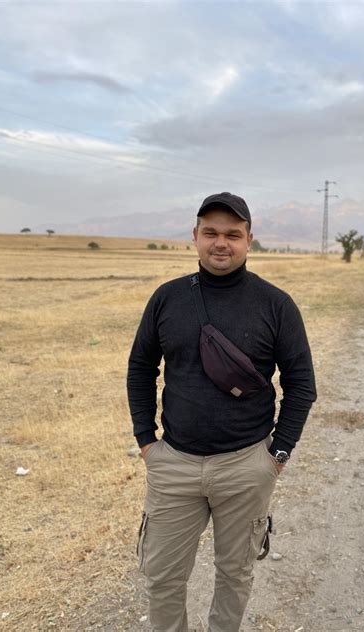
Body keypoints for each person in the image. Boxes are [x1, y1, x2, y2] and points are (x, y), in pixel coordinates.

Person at [127, 192, 316, 632]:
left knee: (235, 575)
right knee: (162, 578)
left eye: (233, 234)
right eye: (211, 232)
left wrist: (276, 456)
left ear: (249, 240)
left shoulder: (276, 305)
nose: (221, 243)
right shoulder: (167, 298)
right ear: (195, 236)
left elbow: (301, 385)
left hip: (247, 465)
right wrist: (146, 441)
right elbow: (140, 368)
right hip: (174, 464)